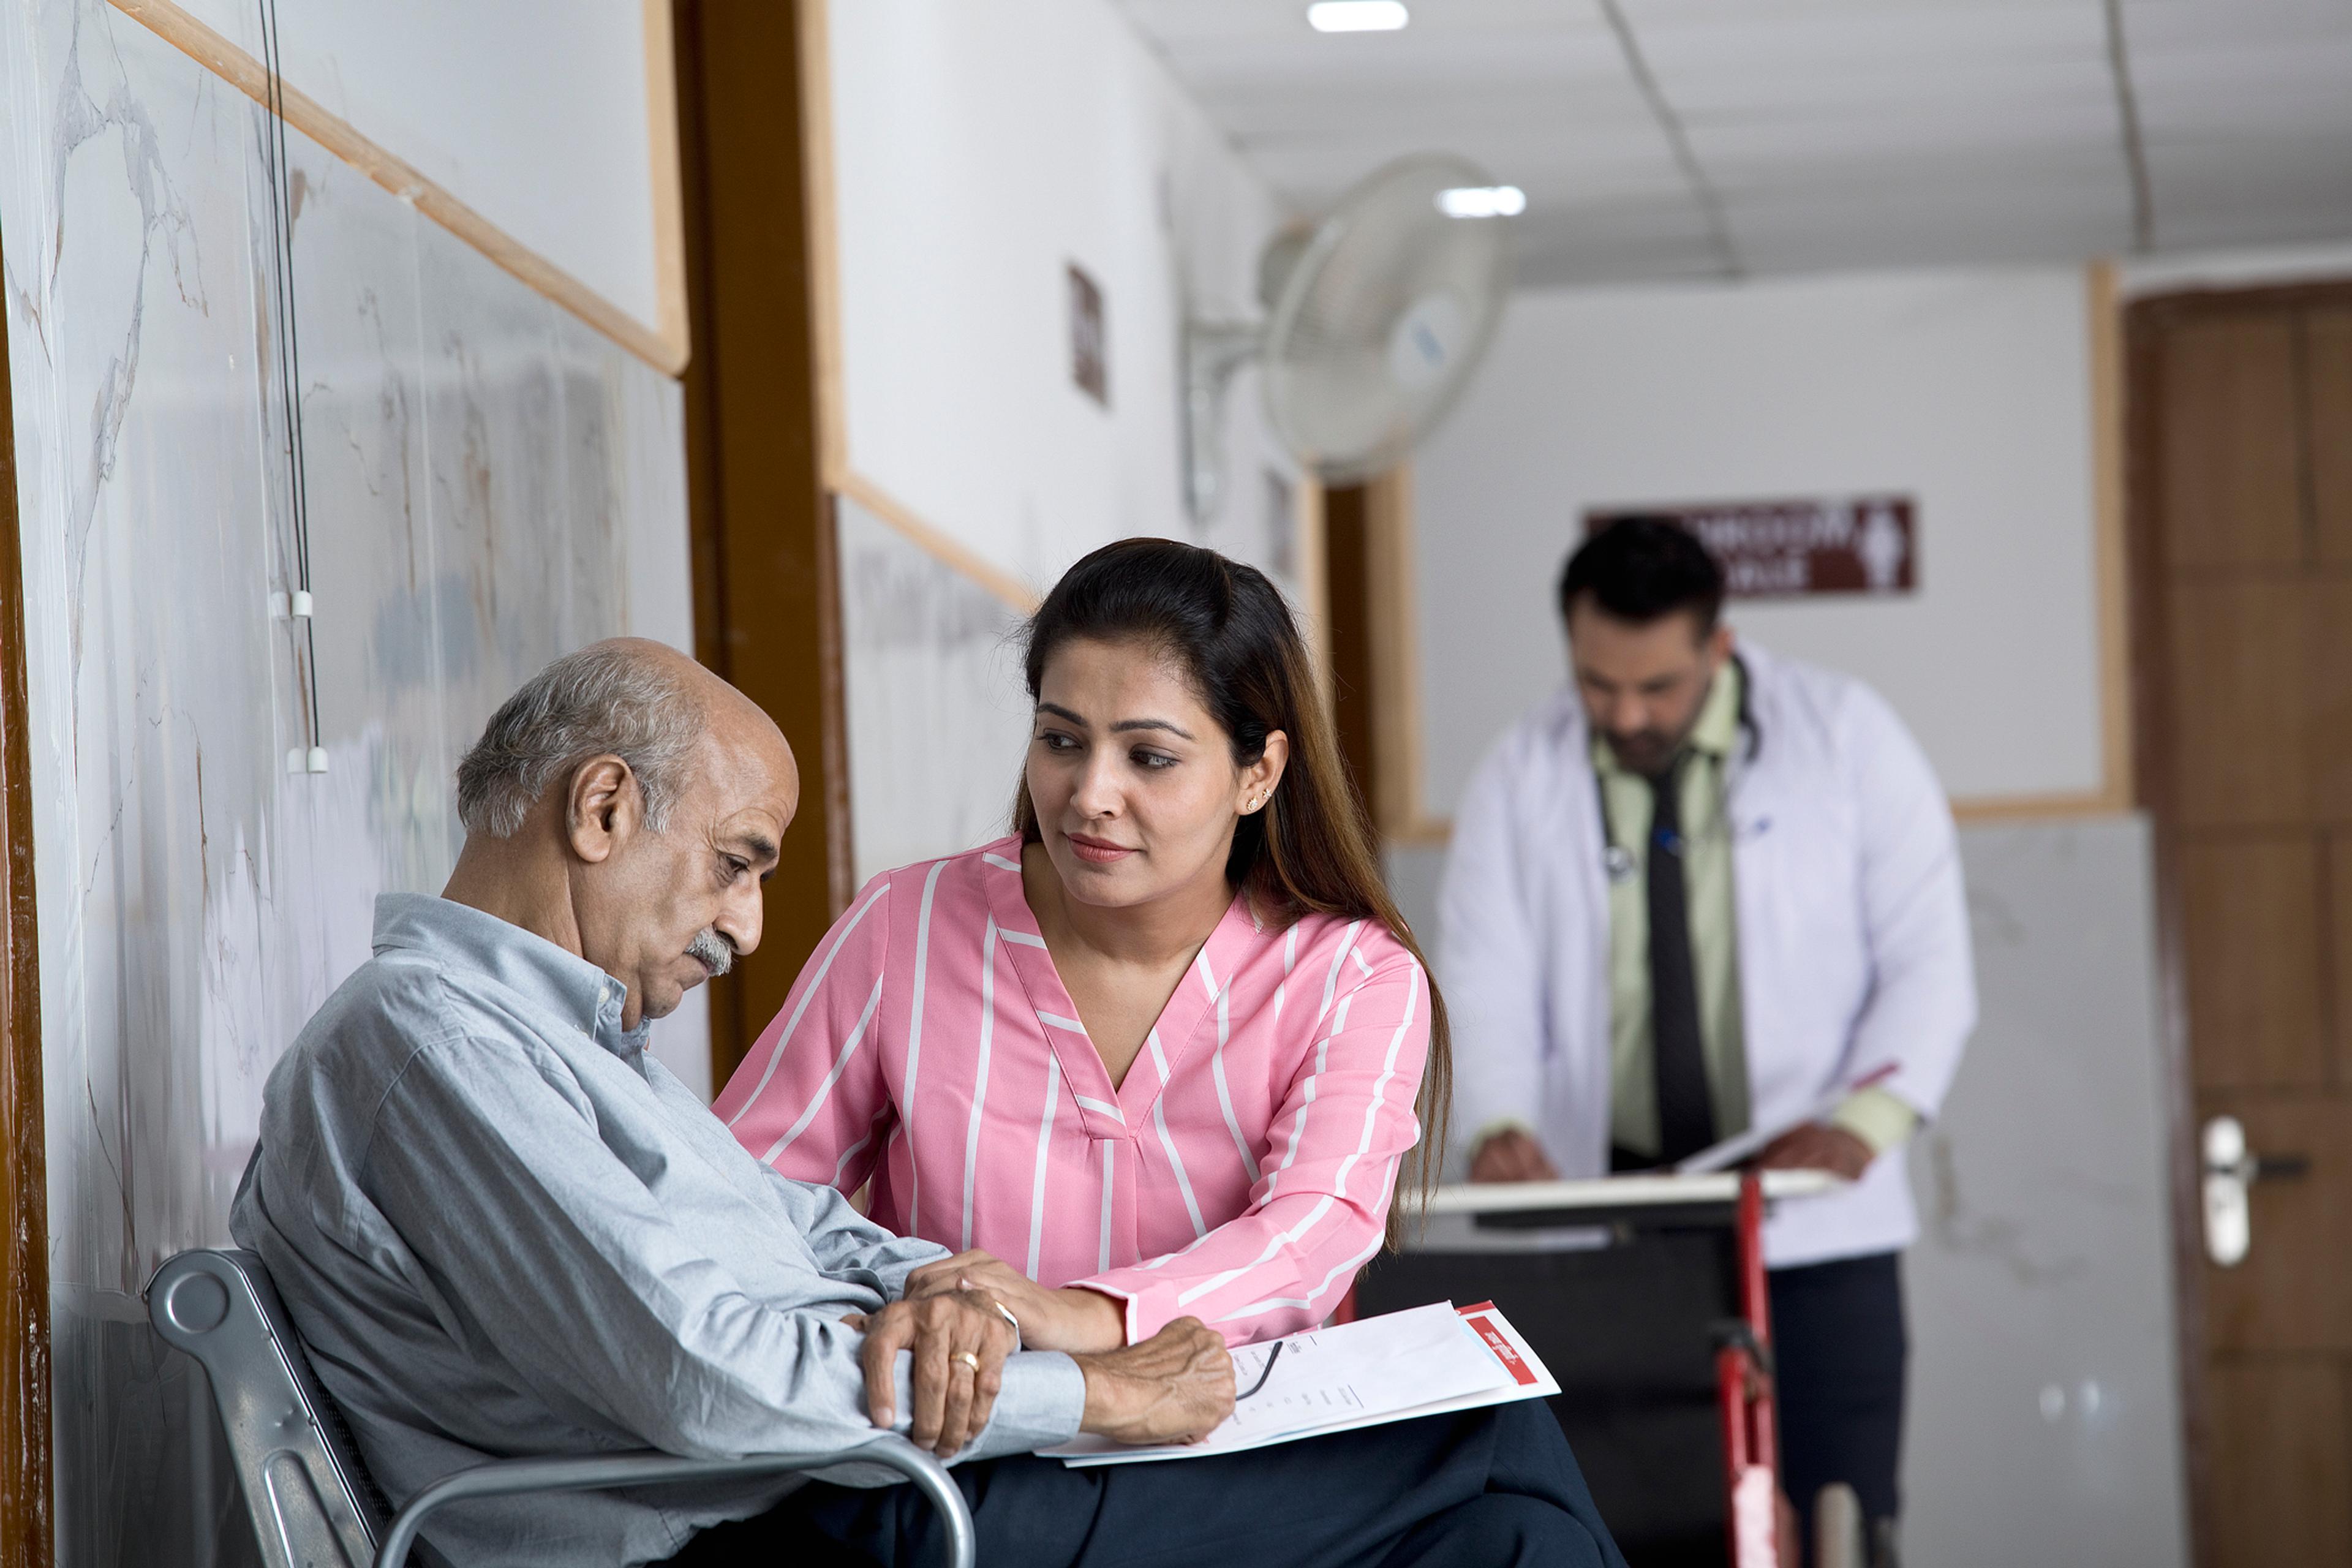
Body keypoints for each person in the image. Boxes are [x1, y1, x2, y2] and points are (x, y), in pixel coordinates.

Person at [233, 637, 1626, 1568]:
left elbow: (804, 1227)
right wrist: (1087, 1387)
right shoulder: (422, 1046)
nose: (746, 924)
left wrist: (964, 1297)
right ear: (601, 810)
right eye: (732, 861)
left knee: (1503, 1515)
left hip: (853, 1483)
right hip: (774, 1523)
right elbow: (705, 1375)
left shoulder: (563, 1045)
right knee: (1491, 1463)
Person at [716, 538, 1445, 1355]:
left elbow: (1311, 1237)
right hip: (968, 1457)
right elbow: (735, 1203)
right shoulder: (905, 927)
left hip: (1234, 1457)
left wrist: (1082, 1317)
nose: (1091, 795)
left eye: (1151, 758)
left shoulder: (1352, 977)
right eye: (1061, 741)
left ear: (1259, 773)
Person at [1440, 518, 1975, 1562]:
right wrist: (1500, 1120)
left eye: (1660, 687)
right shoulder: (1519, 773)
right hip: (1612, 1237)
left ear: (1719, 649)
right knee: (1618, 1528)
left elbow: (1928, 962)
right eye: (1599, 686)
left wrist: (1862, 1127)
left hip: (1816, 1232)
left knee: (1839, 1521)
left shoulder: (1848, 737)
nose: (1628, 714)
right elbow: (1483, 977)